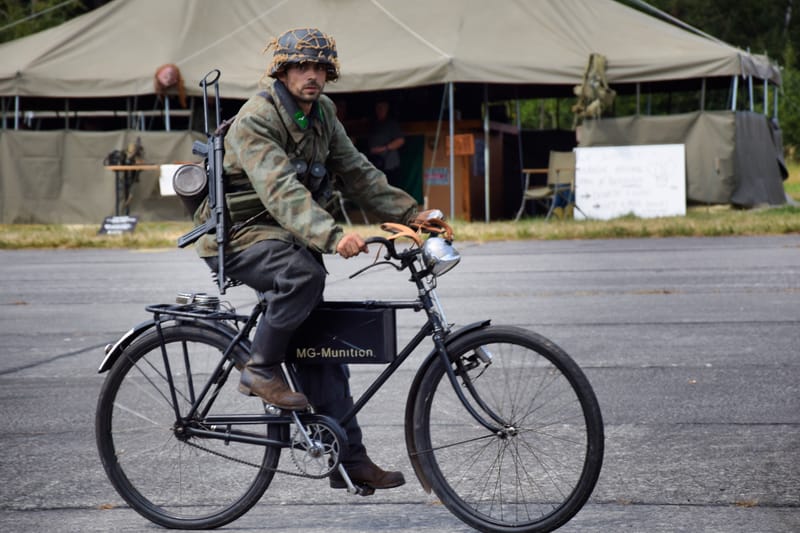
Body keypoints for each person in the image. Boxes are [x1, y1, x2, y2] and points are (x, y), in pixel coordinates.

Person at [193, 28, 427, 492]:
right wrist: (333, 235)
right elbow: (281, 192)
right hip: (242, 236)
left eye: (320, 67)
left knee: (325, 348)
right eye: (302, 66)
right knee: (301, 277)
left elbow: (357, 171)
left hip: (287, 236)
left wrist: (414, 213)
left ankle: (350, 459)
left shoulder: (323, 114)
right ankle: (259, 368)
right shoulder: (257, 117)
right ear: (282, 71)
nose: (312, 75)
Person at [368, 100, 405, 187]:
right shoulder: (374, 123)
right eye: (378, 108)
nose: (379, 110)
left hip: (389, 165)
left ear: (387, 108)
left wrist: (384, 148)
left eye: (382, 108)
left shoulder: (392, 123)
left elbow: (400, 140)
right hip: (375, 165)